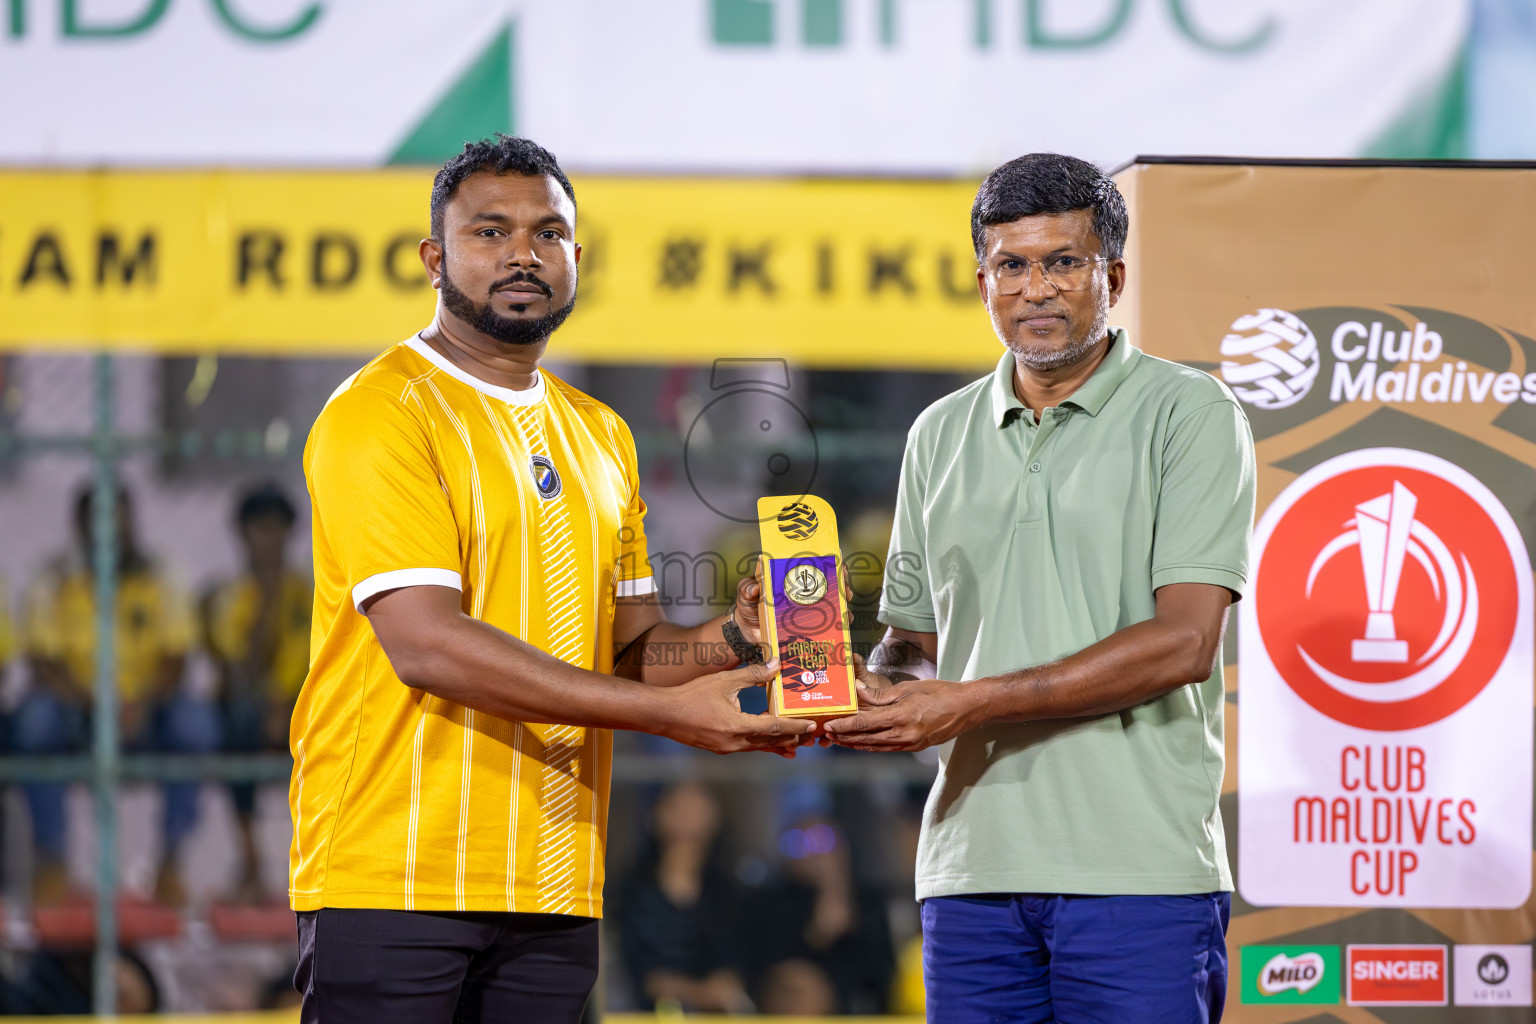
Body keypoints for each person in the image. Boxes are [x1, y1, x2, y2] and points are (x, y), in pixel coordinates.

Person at [290, 134, 813, 1023]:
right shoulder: (381, 412)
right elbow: (426, 645)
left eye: (548, 233)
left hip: (555, 879)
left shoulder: (600, 434)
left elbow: (632, 652)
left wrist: (735, 638)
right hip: (396, 874)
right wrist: (671, 718)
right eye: (490, 232)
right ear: (434, 258)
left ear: (578, 258)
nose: (522, 253)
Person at [826, 154, 1257, 1023]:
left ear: (1115, 277)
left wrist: (969, 702)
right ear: (982, 279)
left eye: (1064, 262)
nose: (1036, 289)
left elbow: (1184, 643)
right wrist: (861, 687)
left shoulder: (1190, 413)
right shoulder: (937, 434)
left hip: (1136, 873)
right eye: (1011, 266)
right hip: (970, 871)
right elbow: (914, 645)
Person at [17, 484, 219, 906]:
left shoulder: (162, 576)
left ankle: (170, 860)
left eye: (120, 517)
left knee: (195, 722)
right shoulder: (53, 579)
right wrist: (96, 705)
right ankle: (52, 860)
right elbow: (42, 662)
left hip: (144, 710)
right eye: (99, 518)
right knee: (35, 721)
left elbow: (176, 656)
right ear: (80, 526)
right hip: (80, 710)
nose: (111, 529)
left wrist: (141, 703)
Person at [202, 483, 311, 902]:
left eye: (277, 529)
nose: (269, 539)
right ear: (243, 535)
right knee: (239, 725)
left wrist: (286, 704)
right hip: (248, 710)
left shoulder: (308, 591)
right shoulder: (227, 596)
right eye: (259, 529)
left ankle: (313, 855)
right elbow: (239, 670)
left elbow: (316, 657)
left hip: (300, 703)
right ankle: (250, 860)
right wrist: (267, 598)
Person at [616, 782, 751, 1014]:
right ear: (656, 815)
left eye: (696, 808)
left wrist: (716, 988)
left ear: (716, 818)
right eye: (676, 807)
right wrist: (690, 991)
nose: (685, 817)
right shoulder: (631, 887)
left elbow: (733, 962)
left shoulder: (727, 891)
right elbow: (634, 966)